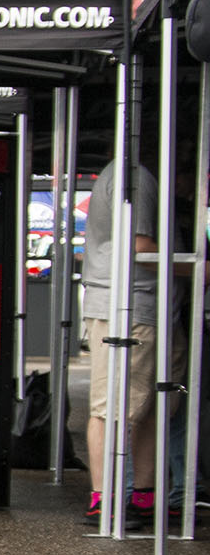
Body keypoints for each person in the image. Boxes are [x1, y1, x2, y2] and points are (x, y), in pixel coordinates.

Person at [78, 153, 161, 529]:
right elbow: (141, 248)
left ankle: (136, 496)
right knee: (116, 407)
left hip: (126, 302)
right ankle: (106, 499)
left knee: (140, 407)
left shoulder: (123, 173)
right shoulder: (136, 177)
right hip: (127, 305)